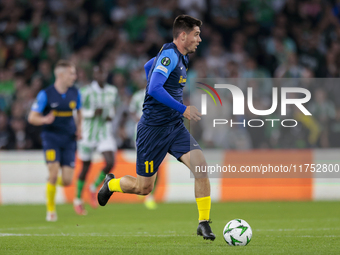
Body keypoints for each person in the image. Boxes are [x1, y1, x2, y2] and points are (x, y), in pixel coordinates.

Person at [98, 15, 215, 240]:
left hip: (174, 127)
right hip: (152, 130)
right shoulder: (171, 55)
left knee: (200, 167)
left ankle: (203, 222)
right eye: (196, 34)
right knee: (144, 188)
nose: (199, 39)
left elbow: (148, 66)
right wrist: (182, 108)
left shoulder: (179, 57)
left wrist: (176, 112)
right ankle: (111, 183)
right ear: (183, 35)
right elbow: (153, 88)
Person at [28, 60, 81, 222]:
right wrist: (44, 120)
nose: (75, 76)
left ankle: (51, 183)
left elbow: (79, 112)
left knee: (67, 180)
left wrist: (80, 128)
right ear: (61, 75)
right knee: (53, 172)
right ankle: (51, 210)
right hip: (51, 138)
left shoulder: (75, 93)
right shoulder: (46, 94)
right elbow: (32, 117)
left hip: (69, 139)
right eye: (71, 73)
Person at [74, 66, 118, 215]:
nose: (100, 75)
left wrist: (110, 115)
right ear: (94, 74)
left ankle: (93, 188)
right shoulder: (85, 92)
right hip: (87, 134)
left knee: (110, 161)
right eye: (98, 72)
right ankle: (78, 200)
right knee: (85, 167)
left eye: (103, 72)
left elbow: (112, 108)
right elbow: (77, 111)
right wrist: (92, 113)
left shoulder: (112, 90)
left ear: (106, 73)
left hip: (104, 133)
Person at [129, 60, 158, 210]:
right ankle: (144, 190)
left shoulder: (158, 92)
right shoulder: (138, 96)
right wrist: (140, 120)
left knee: (156, 165)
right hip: (142, 133)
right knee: (146, 162)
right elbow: (132, 110)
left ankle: (148, 193)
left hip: (157, 133)